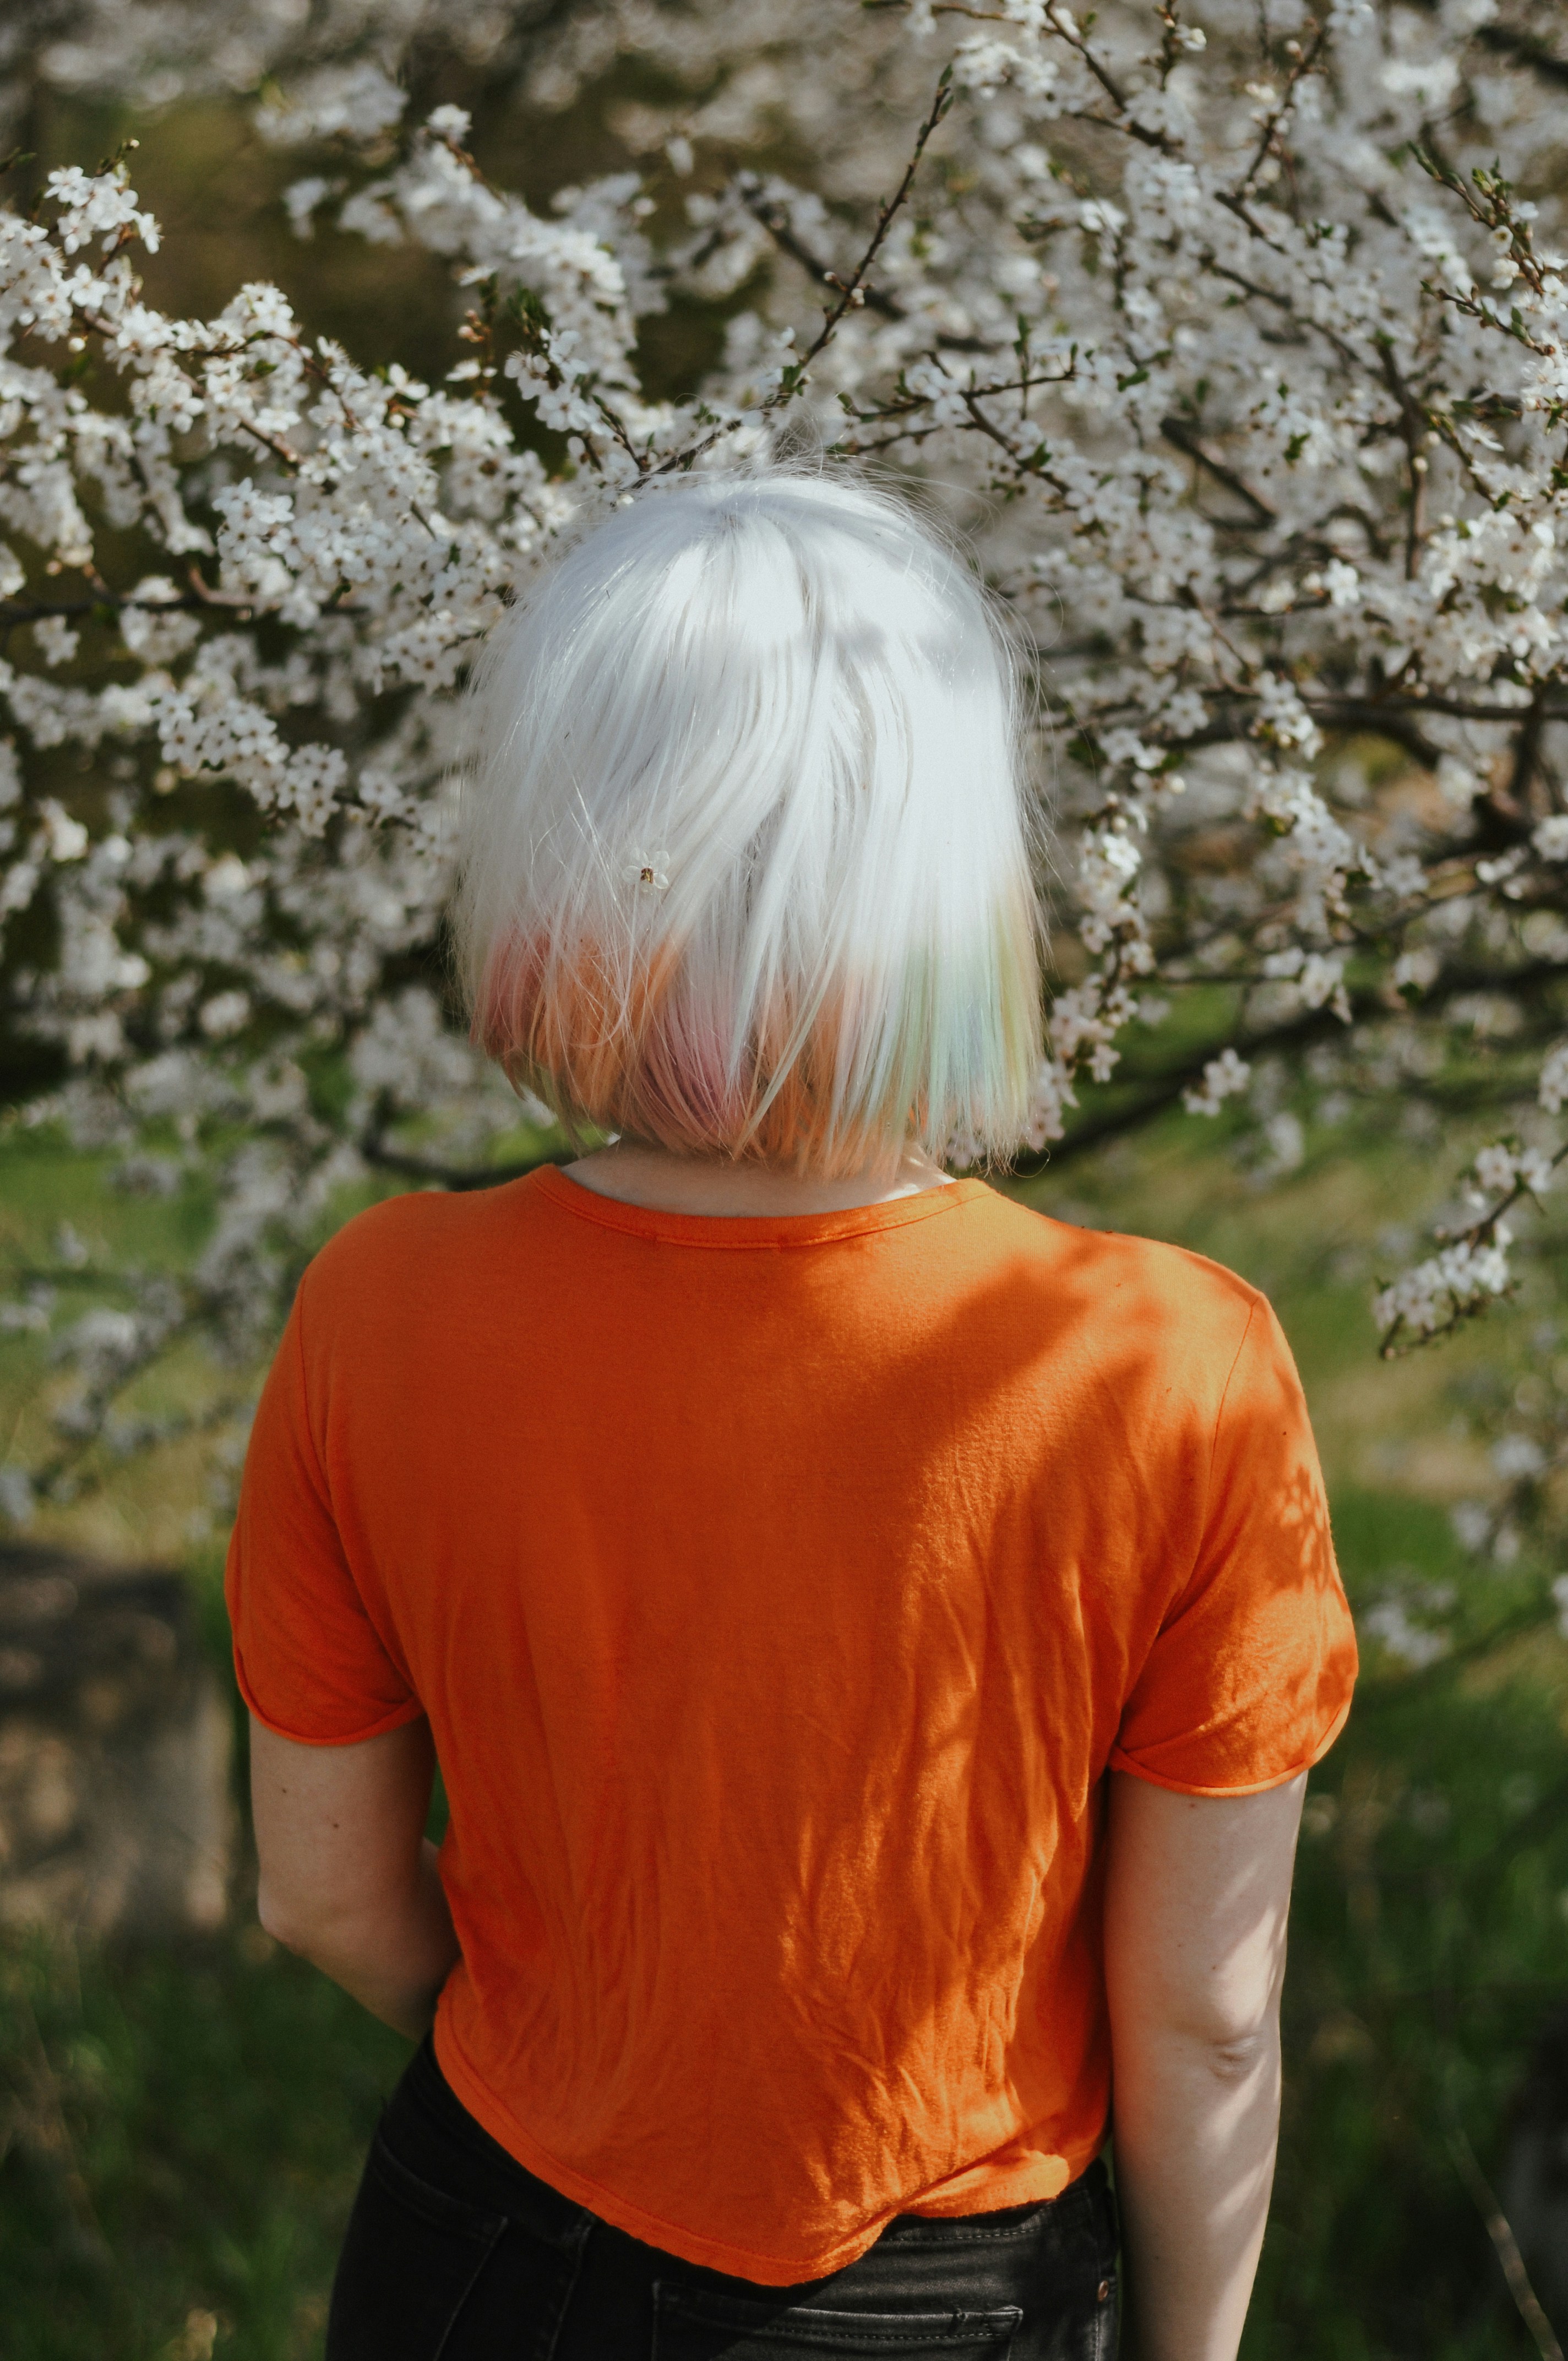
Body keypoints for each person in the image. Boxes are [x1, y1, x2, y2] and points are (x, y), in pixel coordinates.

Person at [227, 467, 1358, 2361]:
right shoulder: (1174, 1363)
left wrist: (579, 2068)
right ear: (947, 880)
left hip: (482, 2252)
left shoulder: (379, 1304)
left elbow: (322, 1898)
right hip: (952, 2298)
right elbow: (1208, 2015)